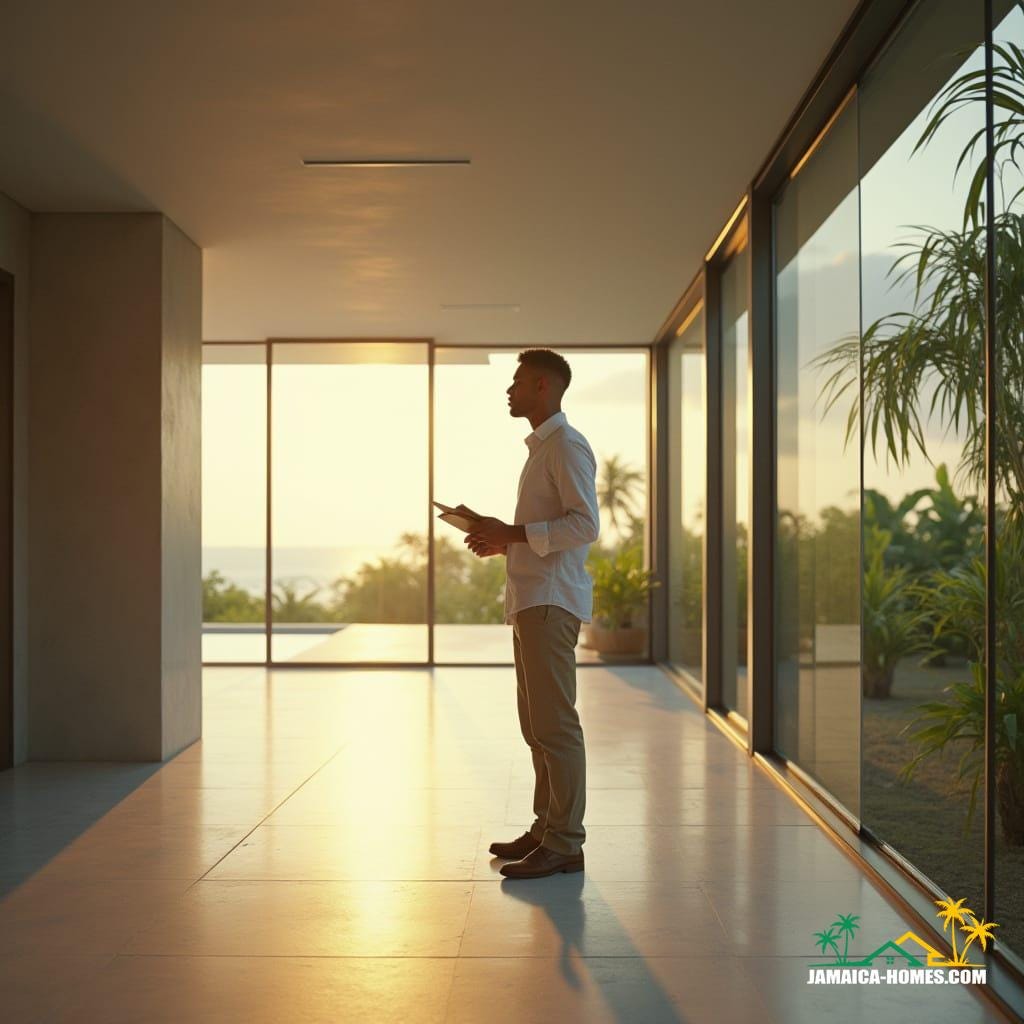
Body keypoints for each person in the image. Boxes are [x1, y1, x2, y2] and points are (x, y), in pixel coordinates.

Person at [464, 348, 599, 879]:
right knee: (537, 726)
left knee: (556, 726)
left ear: (544, 386)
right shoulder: (543, 449)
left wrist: (513, 534)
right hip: (531, 601)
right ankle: (546, 829)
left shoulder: (566, 445)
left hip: (550, 602)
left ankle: (565, 842)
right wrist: (505, 539)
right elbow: (551, 529)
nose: (510, 390)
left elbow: (584, 525)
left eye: (518, 382)